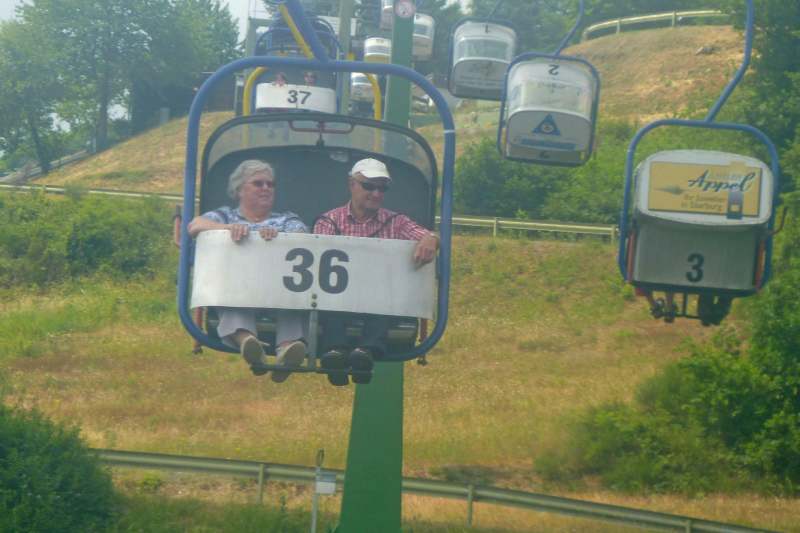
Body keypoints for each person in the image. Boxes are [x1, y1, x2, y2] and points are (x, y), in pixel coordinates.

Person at [313, 158, 439, 386]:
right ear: (352, 184)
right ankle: (335, 352)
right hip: (339, 297)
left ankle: (366, 351)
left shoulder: (396, 222)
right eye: (369, 186)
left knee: (383, 299)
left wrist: (431, 239)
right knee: (330, 300)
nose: (376, 193)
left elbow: (425, 234)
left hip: (379, 299)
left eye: (382, 188)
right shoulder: (329, 221)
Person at [188, 159, 308, 382]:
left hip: (278, 289)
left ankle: (288, 350)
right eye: (258, 183)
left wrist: (280, 238)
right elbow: (195, 225)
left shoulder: (285, 220)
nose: (266, 188)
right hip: (239, 289)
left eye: (270, 184)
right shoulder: (224, 217)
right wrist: (227, 230)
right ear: (239, 190)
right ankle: (248, 342)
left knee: (292, 301)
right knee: (231, 296)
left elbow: (301, 234)